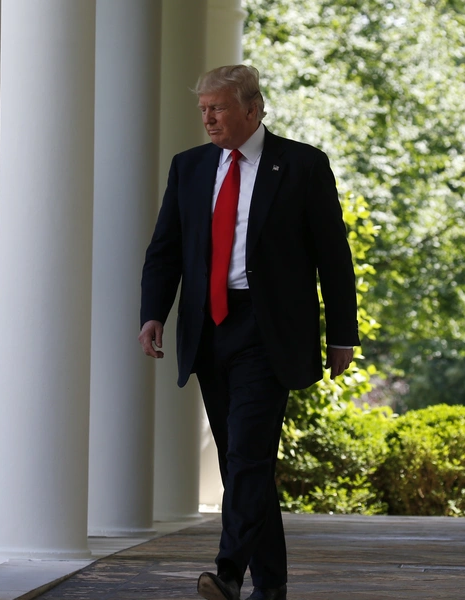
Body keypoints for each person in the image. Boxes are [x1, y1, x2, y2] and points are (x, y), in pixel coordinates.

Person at [139, 65, 360, 600]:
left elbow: (333, 256)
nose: (208, 119)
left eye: (218, 108)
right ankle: (273, 584)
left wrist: (342, 334)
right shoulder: (189, 167)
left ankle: (230, 571)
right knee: (245, 458)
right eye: (203, 110)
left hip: (269, 331)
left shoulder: (303, 165)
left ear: (252, 110)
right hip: (210, 328)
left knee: (248, 457)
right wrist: (153, 313)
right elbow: (166, 248)